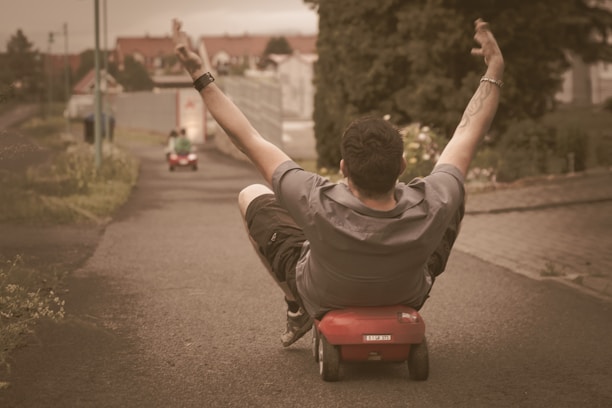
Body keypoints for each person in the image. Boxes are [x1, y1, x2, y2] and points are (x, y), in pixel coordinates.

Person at [172, 18, 504, 347]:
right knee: (455, 192)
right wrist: (495, 69)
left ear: (344, 167)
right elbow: (467, 132)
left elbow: (247, 137)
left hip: (322, 295)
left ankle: (295, 304)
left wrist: (199, 75)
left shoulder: (316, 199)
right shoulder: (433, 200)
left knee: (251, 194)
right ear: (402, 165)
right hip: (408, 295)